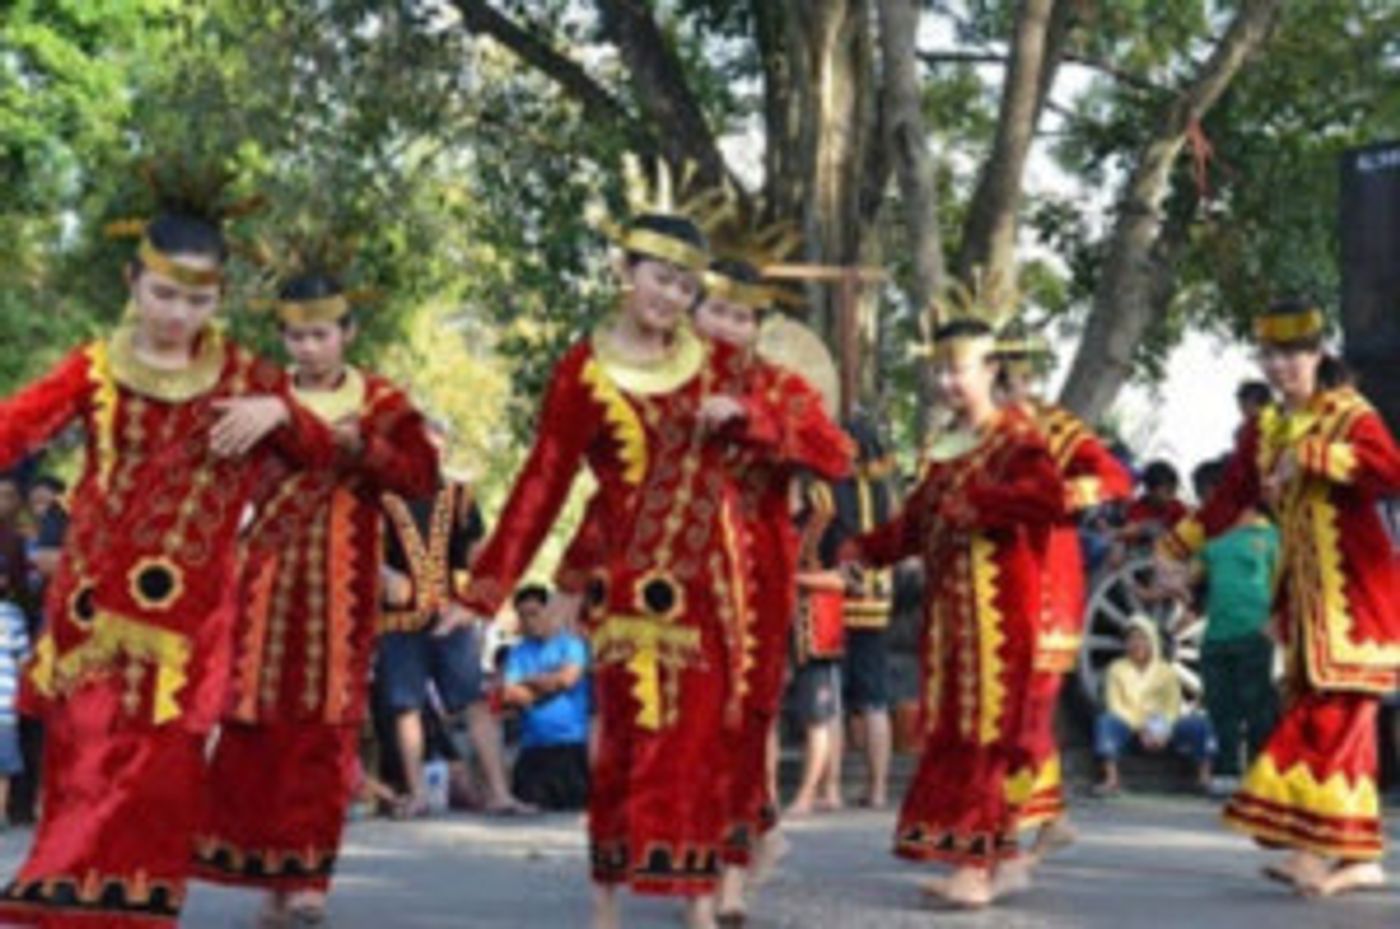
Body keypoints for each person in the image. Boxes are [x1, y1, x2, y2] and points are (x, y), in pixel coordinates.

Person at [0, 173, 338, 927]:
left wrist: (280, 411)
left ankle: (141, 905)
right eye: (162, 294)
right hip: (91, 607)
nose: (177, 315)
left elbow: (321, 454)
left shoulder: (246, 377)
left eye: (196, 300)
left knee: (163, 765)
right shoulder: (94, 367)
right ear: (133, 281)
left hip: (190, 620)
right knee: (84, 753)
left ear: (219, 298)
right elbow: (14, 426)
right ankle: (64, 901)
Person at [456, 196, 796, 929]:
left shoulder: (717, 365)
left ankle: (703, 902)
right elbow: (544, 482)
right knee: (619, 742)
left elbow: (804, 430)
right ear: (625, 270)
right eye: (659, 278)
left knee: (701, 740)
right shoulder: (583, 371)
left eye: (685, 285)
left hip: (714, 588)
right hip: (629, 592)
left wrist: (754, 420)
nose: (670, 296)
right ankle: (604, 900)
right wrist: (488, 590)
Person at [194, 254, 439, 925]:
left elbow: (421, 477)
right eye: (296, 336)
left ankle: (309, 883)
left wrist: (364, 448)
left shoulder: (382, 403)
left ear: (347, 332)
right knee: (258, 730)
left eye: (321, 334)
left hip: (342, 592)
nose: (308, 347)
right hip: (265, 590)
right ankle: (272, 883)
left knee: (325, 734)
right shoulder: (259, 398)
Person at [1158, 298, 1400, 897]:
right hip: (1303, 602)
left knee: (1330, 719)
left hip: (1357, 598)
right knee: (1334, 721)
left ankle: (1314, 855)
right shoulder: (1263, 429)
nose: (1279, 367)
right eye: (1269, 355)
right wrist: (1176, 546)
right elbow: (1229, 498)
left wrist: (1315, 456)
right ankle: (1357, 855)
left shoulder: (1348, 414)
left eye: (1292, 354)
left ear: (1318, 354)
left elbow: (1389, 470)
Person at [842, 312, 1063, 909]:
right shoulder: (945, 448)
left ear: (990, 369)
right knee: (955, 731)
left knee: (985, 733)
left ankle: (973, 869)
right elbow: (915, 525)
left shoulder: (1016, 437)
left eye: (956, 369)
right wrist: (864, 549)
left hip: (998, 618)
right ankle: (1003, 862)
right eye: (937, 370)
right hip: (949, 621)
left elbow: (1048, 498)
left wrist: (981, 504)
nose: (945, 382)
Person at [689, 248, 852, 924]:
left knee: (743, 718)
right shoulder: (664, 380)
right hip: (681, 578)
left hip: (759, 580)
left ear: (758, 326)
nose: (728, 327)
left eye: (742, 317)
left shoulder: (782, 388)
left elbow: (836, 453)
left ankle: (725, 875)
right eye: (717, 311)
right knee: (691, 724)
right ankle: (717, 854)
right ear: (694, 312)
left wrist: (750, 419)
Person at [992, 326, 1133, 861]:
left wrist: (1060, 496)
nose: (1007, 388)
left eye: (1009, 377)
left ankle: (1014, 823)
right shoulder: (978, 433)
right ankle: (1045, 819)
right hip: (996, 586)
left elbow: (1114, 478)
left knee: (1027, 707)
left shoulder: (1056, 426)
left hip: (1048, 585)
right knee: (1005, 708)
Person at [377, 473, 527, 818]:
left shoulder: (459, 495)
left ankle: (499, 793)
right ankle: (418, 795)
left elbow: (477, 551)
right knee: (406, 706)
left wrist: (484, 592)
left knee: (475, 701)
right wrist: (384, 573)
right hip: (398, 620)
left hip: (451, 615)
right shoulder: (376, 493)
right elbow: (357, 547)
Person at [1186, 457, 1279, 795]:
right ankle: (1227, 770)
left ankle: (1260, 773)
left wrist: (1277, 624)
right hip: (1215, 637)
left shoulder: (1273, 538)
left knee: (1258, 708)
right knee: (1220, 706)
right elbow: (1188, 580)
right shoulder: (1212, 545)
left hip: (1254, 633)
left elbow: (1285, 583)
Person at [828, 416, 897, 814]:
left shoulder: (832, 488)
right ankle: (878, 789)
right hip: (878, 598)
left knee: (835, 696)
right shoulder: (886, 491)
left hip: (838, 594)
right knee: (874, 700)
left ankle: (832, 788)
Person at [1091, 617, 1217, 795]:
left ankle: (1204, 778)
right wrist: (1141, 728)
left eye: (1143, 639)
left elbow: (1172, 707)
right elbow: (1115, 705)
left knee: (1200, 724)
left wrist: (1161, 729)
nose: (1137, 644)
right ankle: (1111, 779)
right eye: (1132, 639)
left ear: (1152, 642)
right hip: (1130, 728)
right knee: (1106, 722)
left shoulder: (1166, 672)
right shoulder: (1116, 669)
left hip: (1162, 730)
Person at [501, 584, 592, 811]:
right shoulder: (517, 652)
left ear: (550, 612)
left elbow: (568, 679)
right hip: (532, 749)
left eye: (534, 613)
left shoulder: (571, 643)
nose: (529, 621)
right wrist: (551, 682)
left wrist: (528, 681)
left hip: (571, 746)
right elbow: (510, 694)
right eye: (523, 616)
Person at [0, 599, 27, 829]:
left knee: (3, 765)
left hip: (5, 703)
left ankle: (0, 814)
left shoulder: (12, 614)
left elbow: (24, 660)